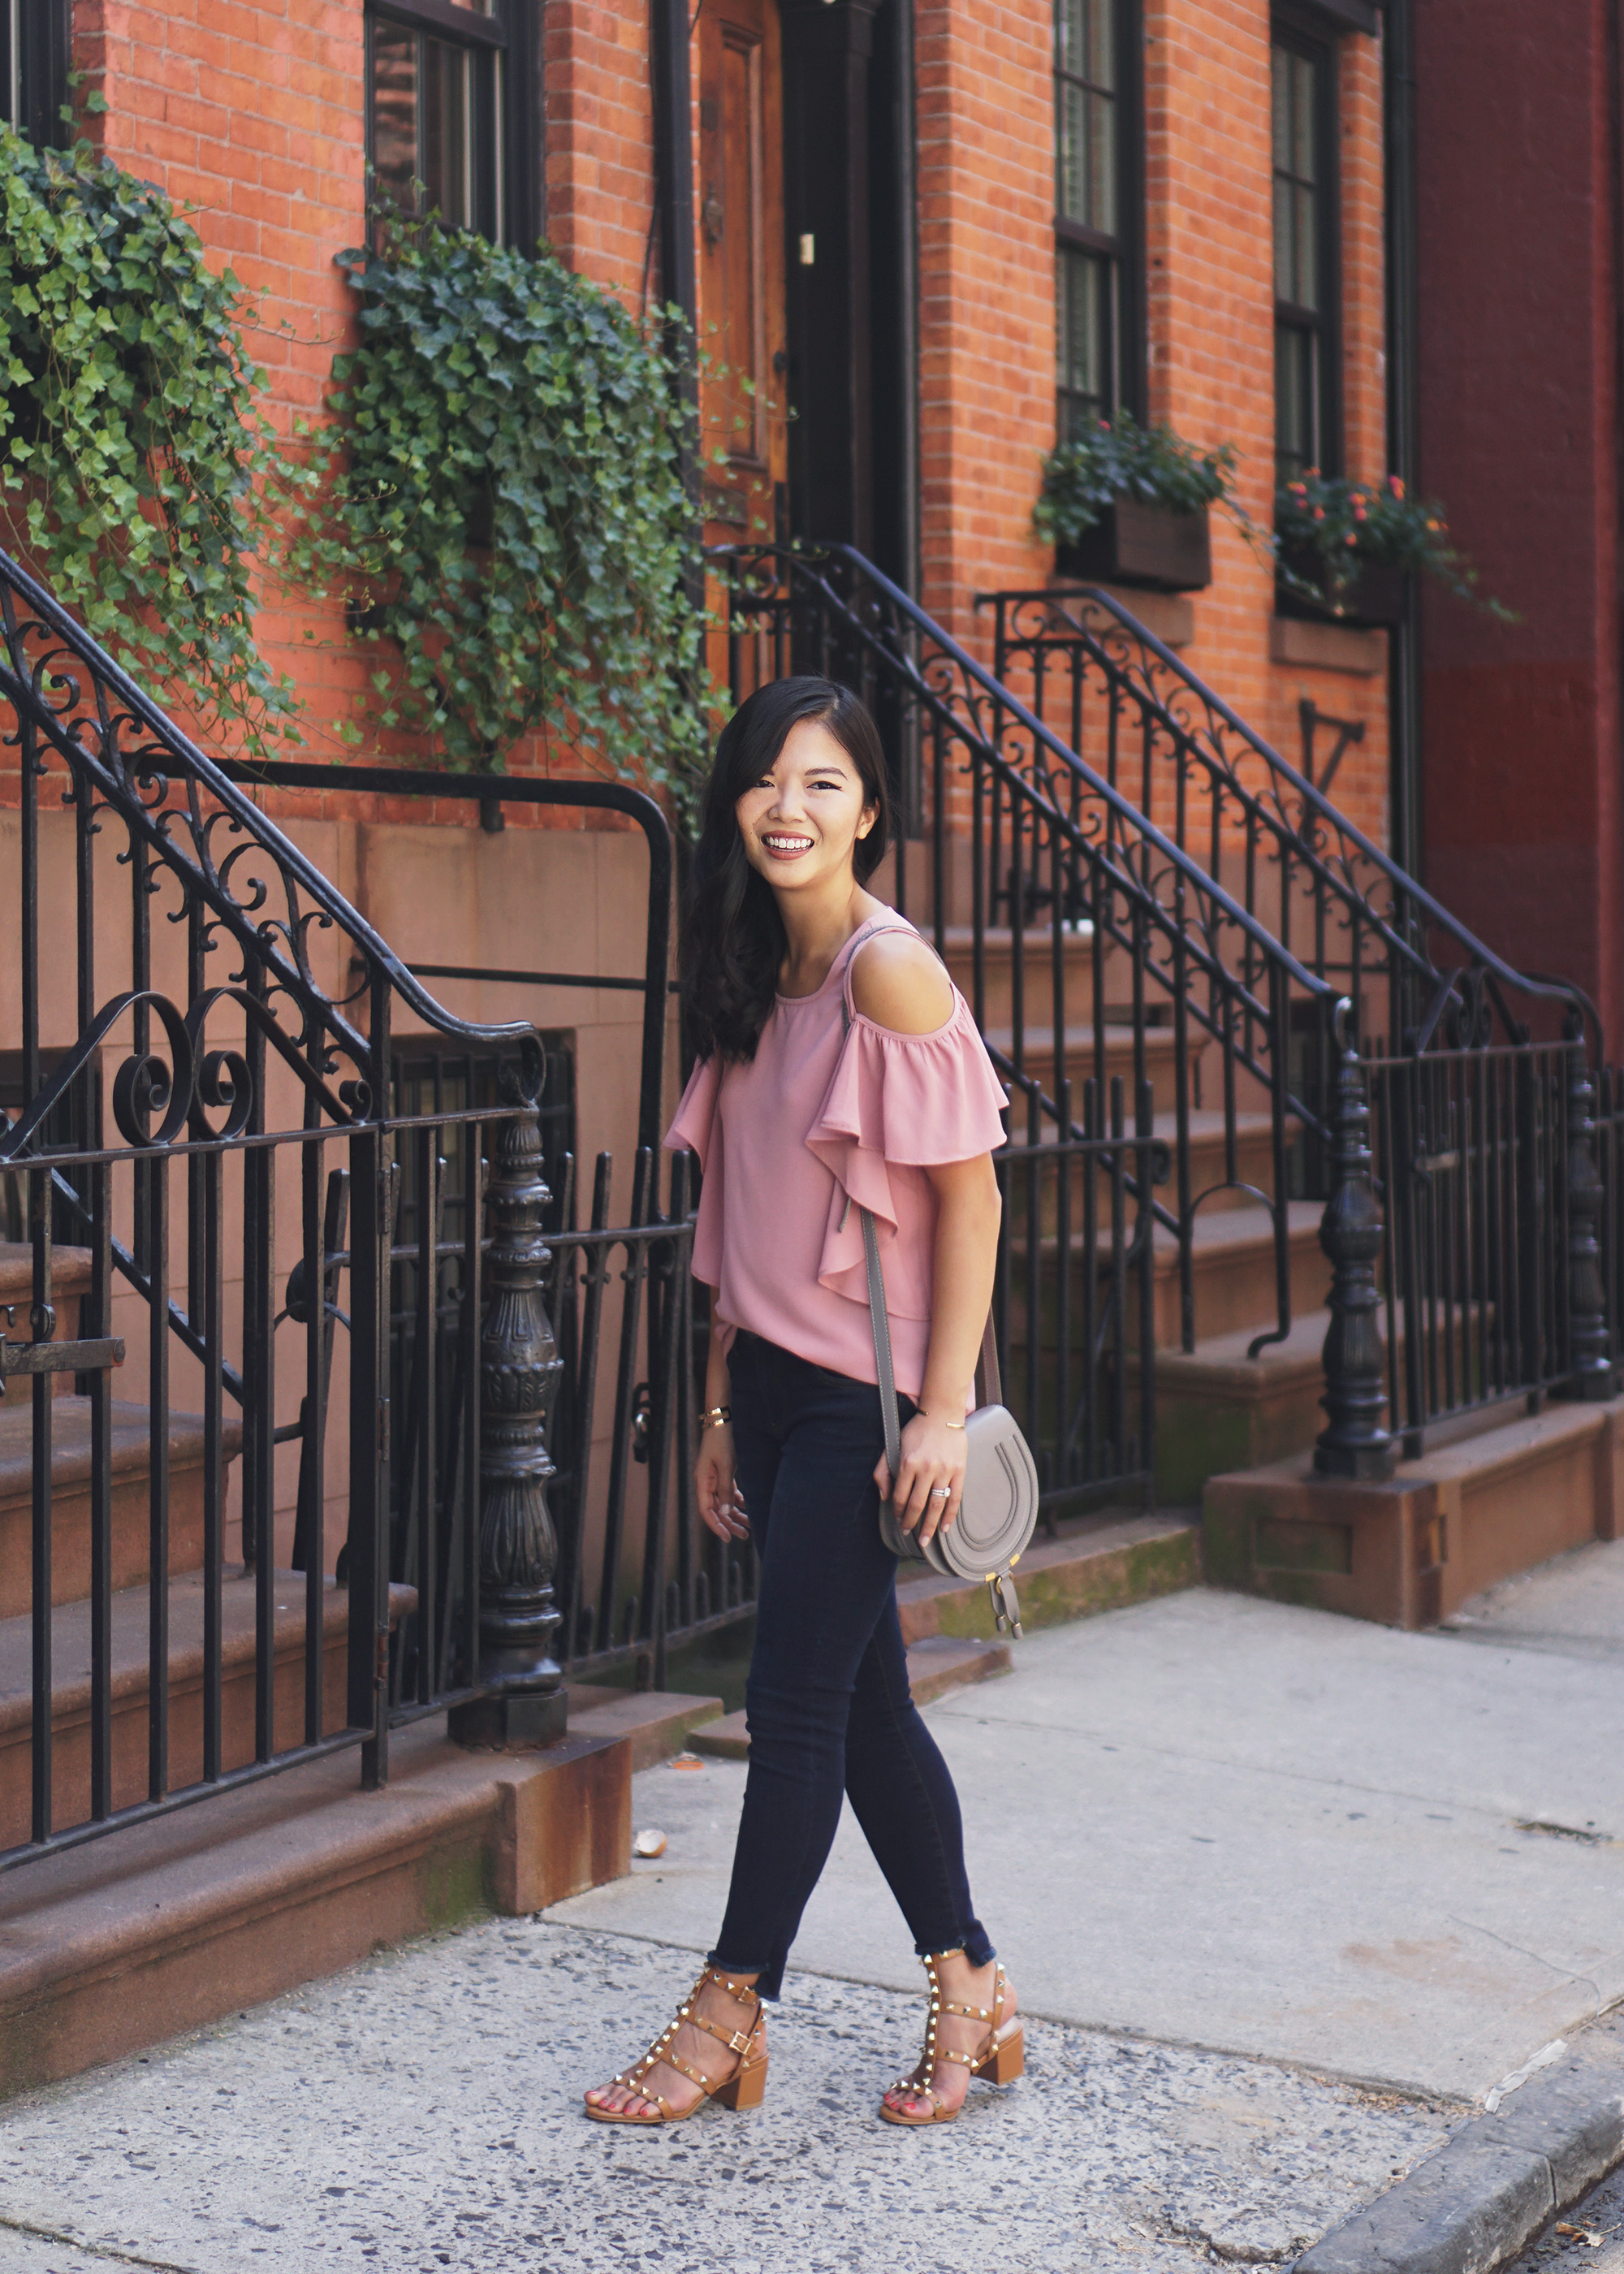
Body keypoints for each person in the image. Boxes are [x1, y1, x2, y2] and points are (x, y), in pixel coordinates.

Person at [584, 676, 1021, 2130]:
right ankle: (976, 1990)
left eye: (825, 783)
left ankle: (728, 2010)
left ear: (870, 811)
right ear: (735, 804)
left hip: (866, 1404)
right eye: (768, 780)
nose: (790, 807)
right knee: (871, 1710)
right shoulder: (743, 969)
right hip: (769, 1390)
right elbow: (742, 1206)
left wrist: (942, 1414)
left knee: (794, 1711)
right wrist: (716, 1402)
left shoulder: (889, 976)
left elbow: (974, 1203)